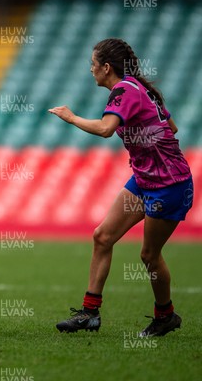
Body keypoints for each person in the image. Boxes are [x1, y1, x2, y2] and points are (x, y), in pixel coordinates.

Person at [49, 38, 193, 336]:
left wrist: (71, 117)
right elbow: (173, 128)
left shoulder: (125, 90)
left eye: (93, 64)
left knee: (149, 255)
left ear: (106, 67)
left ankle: (165, 315)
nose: (90, 70)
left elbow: (105, 129)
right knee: (103, 237)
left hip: (169, 184)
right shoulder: (141, 89)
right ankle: (89, 313)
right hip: (145, 179)